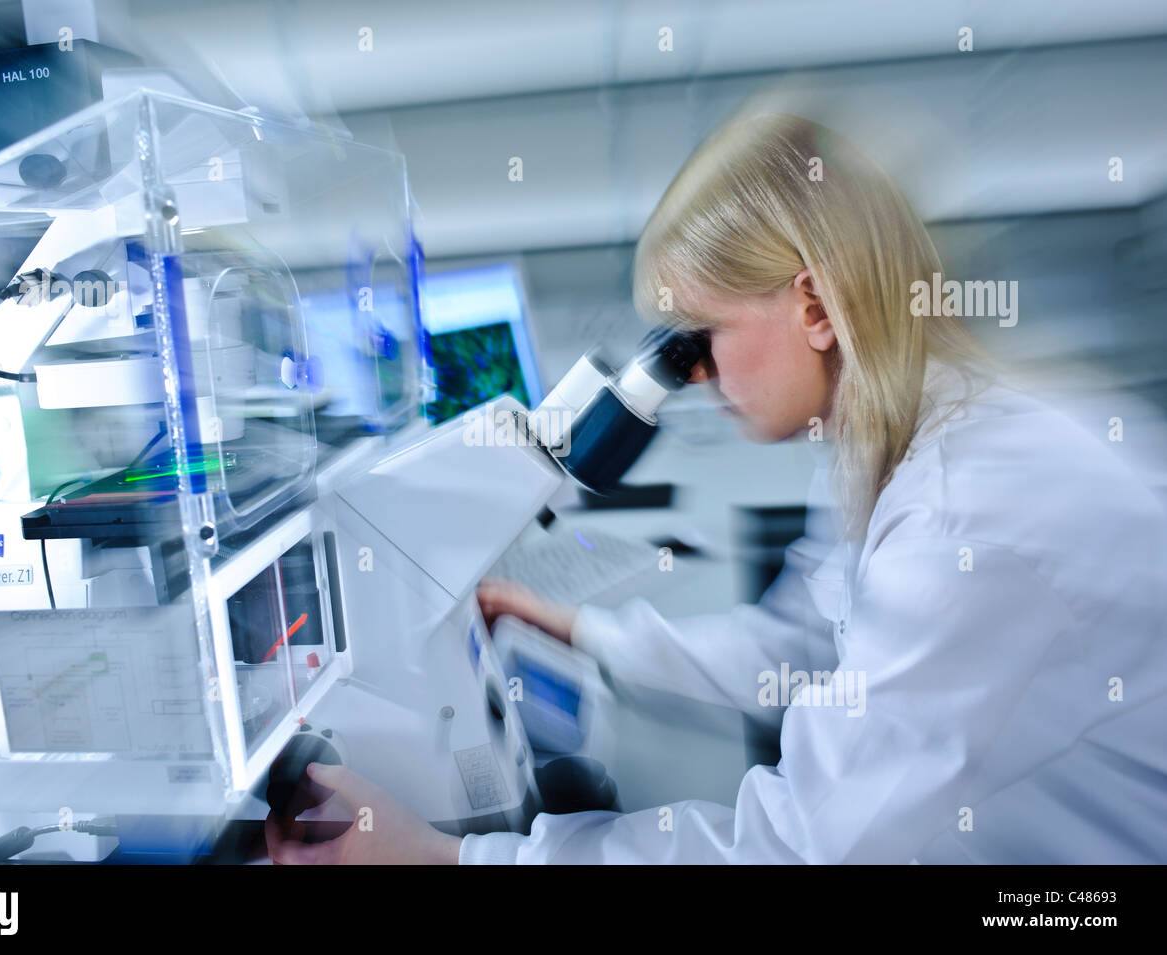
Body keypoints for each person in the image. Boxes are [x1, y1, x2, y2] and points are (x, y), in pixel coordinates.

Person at [265, 113, 1167, 865]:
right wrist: (586, 630)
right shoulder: (882, 438)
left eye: (702, 335)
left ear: (815, 308)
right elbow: (805, 654)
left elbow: (790, 848)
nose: (691, 373)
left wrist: (450, 857)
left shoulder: (968, 517)